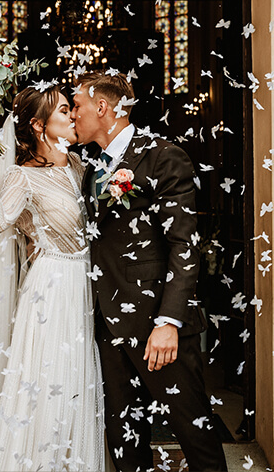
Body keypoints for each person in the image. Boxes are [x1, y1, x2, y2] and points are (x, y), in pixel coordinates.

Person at [70, 71, 227, 472]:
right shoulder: (89, 168)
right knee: (123, 437)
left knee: (192, 430)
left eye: (78, 107)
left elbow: (184, 245)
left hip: (158, 325)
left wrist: (169, 321)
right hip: (108, 325)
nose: (73, 116)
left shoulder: (162, 155)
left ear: (103, 108)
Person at [0, 84, 106, 471]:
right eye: (64, 111)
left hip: (84, 286)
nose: (73, 116)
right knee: (46, 385)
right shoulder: (21, 177)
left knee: (77, 383)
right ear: (39, 126)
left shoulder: (79, 166)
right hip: (51, 288)